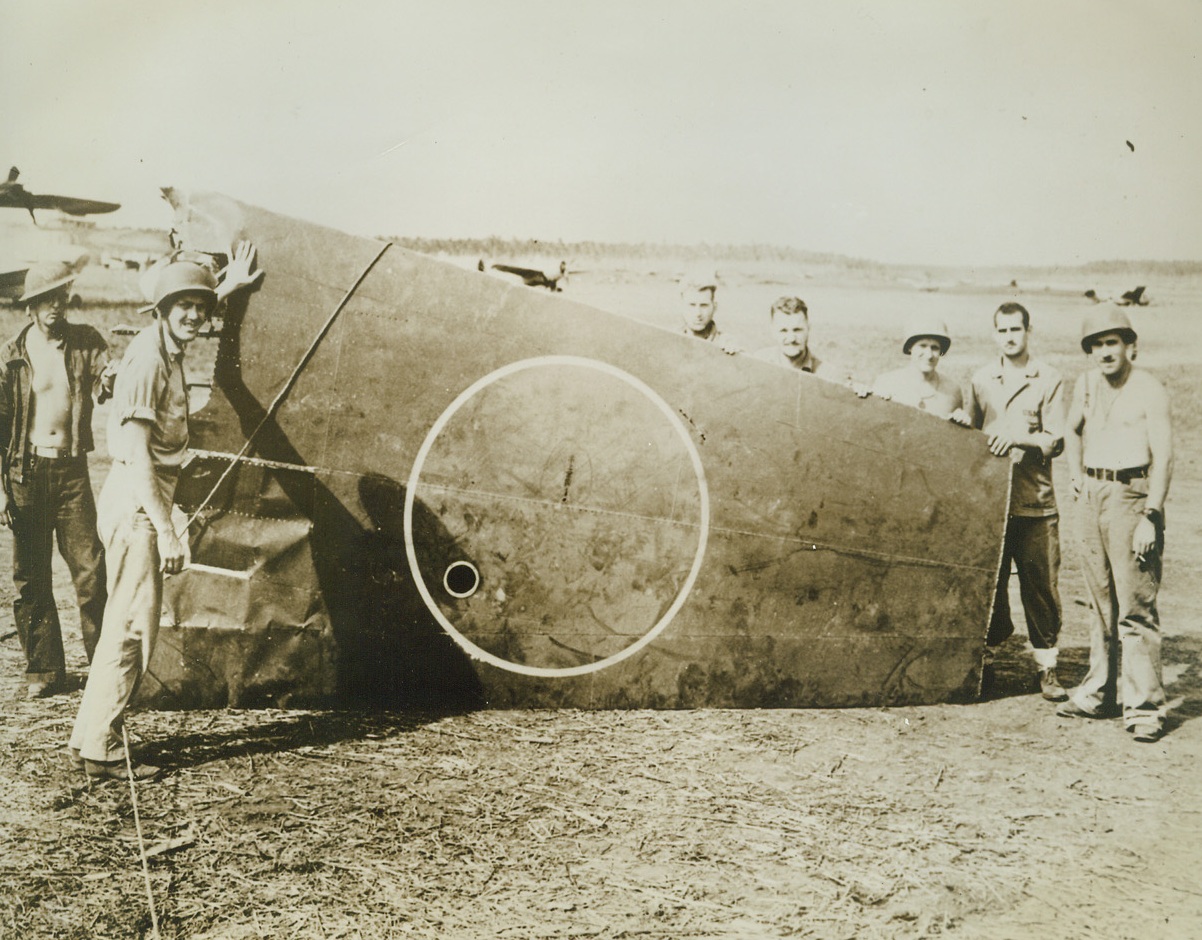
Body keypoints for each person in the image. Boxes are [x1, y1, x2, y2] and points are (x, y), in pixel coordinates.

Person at [69, 247, 260, 780]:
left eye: (203, 306)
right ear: (162, 309)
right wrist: (166, 530)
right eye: (186, 307)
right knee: (132, 629)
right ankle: (103, 750)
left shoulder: (167, 340)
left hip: (140, 500)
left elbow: (188, 307)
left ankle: (89, 738)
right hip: (138, 502)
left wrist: (226, 288)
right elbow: (133, 456)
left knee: (122, 626)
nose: (197, 316)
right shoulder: (149, 361)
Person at [1058, 308, 1173, 743]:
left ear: (1130, 346)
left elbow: (1164, 457)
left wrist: (1152, 515)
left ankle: (1144, 707)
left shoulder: (1149, 389)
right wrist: (1075, 473)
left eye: (1113, 342)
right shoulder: (1086, 384)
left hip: (1132, 496)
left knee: (1135, 606)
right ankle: (1098, 692)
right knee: (1098, 599)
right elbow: (1071, 430)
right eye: (1097, 344)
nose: (1105, 351)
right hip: (1092, 494)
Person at [0, 261, 110, 699]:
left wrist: (111, 382)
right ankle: (44, 670)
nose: (55, 306)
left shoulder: (86, 341)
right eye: (46, 299)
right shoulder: (11, 355)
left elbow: (106, 376)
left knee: (91, 569)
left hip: (71, 473)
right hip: (26, 474)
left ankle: (105, 666)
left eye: (61, 297)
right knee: (31, 576)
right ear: (30, 306)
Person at [966, 303, 1066, 700]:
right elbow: (970, 437)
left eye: (1016, 329)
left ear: (1028, 332)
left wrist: (1018, 438)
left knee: (1040, 587)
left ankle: (1048, 668)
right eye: (1003, 330)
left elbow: (1054, 440)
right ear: (994, 335)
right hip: (992, 506)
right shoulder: (980, 380)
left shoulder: (1049, 379)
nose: (1010, 336)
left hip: (1035, 502)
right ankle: (985, 663)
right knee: (990, 588)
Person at [872, 315, 970, 424]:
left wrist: (962, 422)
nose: (929, 355)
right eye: (922, 346)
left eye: (934, 348)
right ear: (910, 347)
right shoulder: (886, 383)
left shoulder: (952, 391)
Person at [751, 296, 860, 387]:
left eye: (797, 330)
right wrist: (734, 360)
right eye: (783, 331)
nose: (791, 338)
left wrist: (860, 393)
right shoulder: (757, 362)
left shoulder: (829, 376)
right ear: (773, 332)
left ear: (808, 328)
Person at [680, 277, 740, 354]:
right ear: (682, 307)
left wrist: (736, 354)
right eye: (692, 305)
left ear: (714, 307)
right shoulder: (670, 340)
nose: (698, 313)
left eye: (704, 305)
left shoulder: (726, 343)